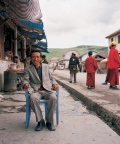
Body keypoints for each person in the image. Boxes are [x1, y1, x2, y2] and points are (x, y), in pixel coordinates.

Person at [22, 49, 59, 131]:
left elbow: (52, 78)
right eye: (33, 57)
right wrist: (25, 84)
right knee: (32, 98)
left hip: (47, 90)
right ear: (31, 58)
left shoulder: (47, 66)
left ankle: (49, 122)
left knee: (53, 97)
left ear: (41, 58)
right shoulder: (28, 68)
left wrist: (54, 84)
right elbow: (25, 80)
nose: (36, 59)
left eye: (37, 57)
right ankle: (40, 121)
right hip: (36, 90)